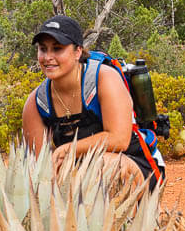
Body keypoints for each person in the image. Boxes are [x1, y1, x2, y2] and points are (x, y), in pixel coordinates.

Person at [21, 15, 165, 190]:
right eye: (43, 49)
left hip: (134, 165)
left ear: (78, 52)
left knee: (106, 167)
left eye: (57, 49)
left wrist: (67, 150)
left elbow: (119, 139)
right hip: (78, 180)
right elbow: (39, 165)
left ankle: (132, 216)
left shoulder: (104, 79)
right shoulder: (37, 103)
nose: (48, 57)